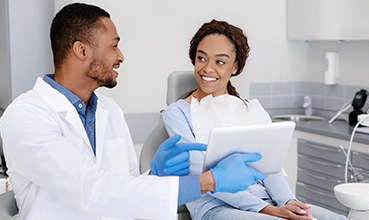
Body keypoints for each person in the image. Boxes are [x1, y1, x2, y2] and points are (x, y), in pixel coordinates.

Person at [0, 4, 265, 220]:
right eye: (113, 45)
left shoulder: (109, 111)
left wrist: (154, 176)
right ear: (81, 50)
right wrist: (206, 182)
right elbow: (90, 190)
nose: (121, 56)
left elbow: (125, 188)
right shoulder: (25, 116)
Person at [162, 19, 348, 220]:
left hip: (267, 201)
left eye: (220, 62)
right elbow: (205, 178)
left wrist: (288, 202)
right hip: (215, 207)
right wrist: (268, 211)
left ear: (235, 67)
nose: (207, 68)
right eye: (201, 58)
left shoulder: (248, 110)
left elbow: (270, 167)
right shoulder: (178, 113)